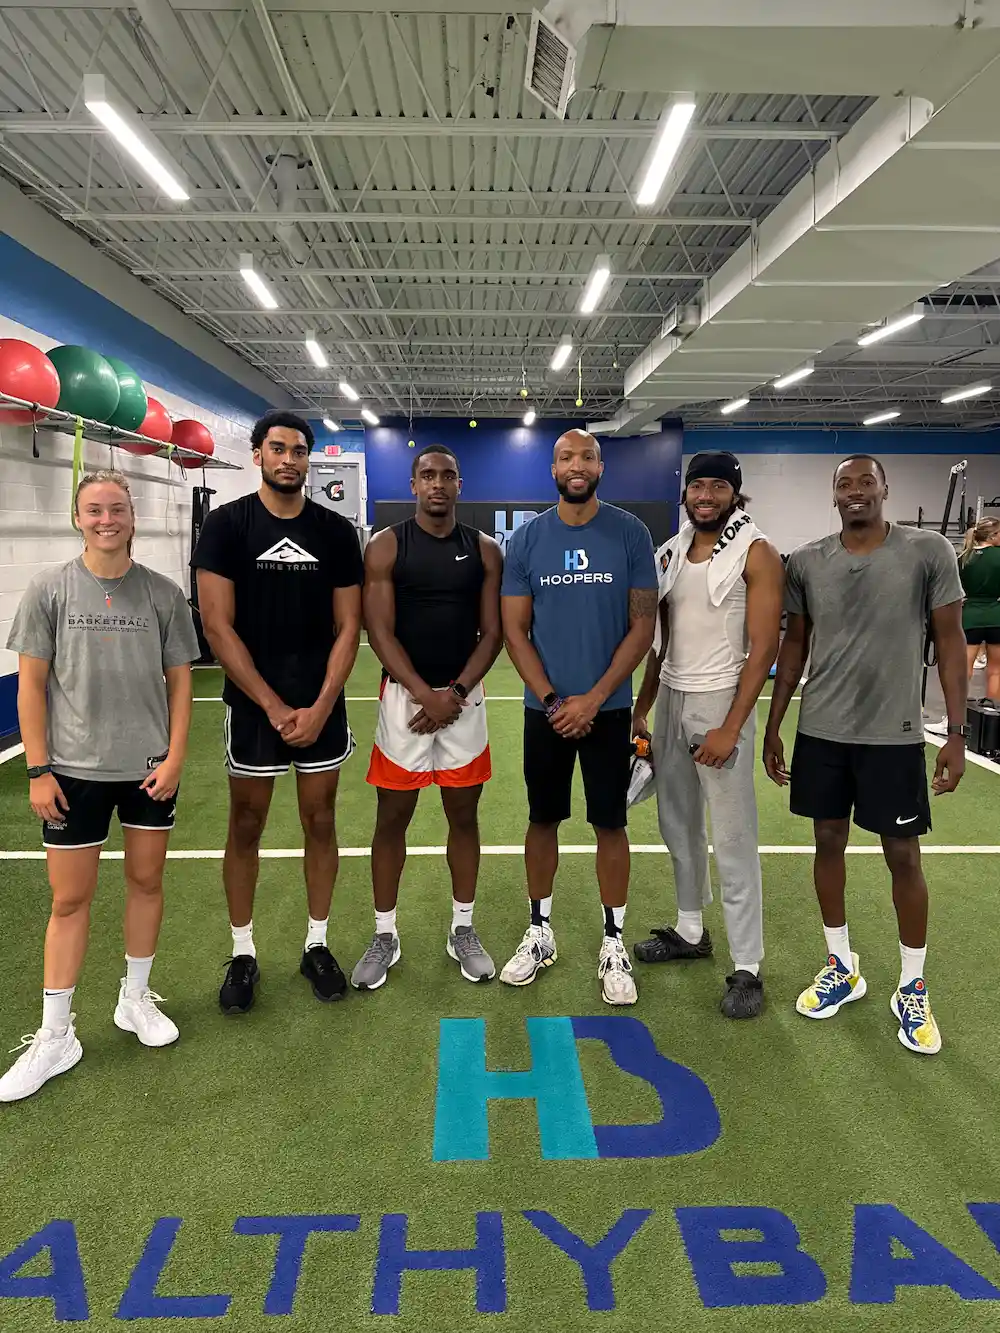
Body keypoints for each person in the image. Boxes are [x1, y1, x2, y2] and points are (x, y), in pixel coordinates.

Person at [0, 471, 199, 1102]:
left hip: (146, 769)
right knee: (68, 901)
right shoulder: (48, 589)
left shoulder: (164, 595)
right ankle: (56, 1035)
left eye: (117, 508)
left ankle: (133, 999)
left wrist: (173, 759)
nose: (107, 519)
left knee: (146, 881)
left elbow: (181, 685)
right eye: (94, 510)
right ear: (77, 518)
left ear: (133, 516)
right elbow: (31, 686)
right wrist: (37, 768)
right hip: (71, 773)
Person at [764, 454, 967, 1056]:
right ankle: (842, 966)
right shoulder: (806, 562)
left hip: (896, 734)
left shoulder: (928, 552)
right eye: (844, 484)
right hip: (822, 730)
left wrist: (955, 733)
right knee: (827, 842)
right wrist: (775, 724)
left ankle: (912, 986)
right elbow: (793, 645)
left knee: (902, 856)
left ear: (885, 489)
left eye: (865, 482)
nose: (855, 492)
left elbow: (951, 641)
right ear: (833, 496)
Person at [193, 409, 363, 1014]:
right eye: (278, 448)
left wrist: (318, 707)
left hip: (321, 708)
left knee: (320, 823)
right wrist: (270, 704)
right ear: (259, 455)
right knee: (246, 825)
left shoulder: (337, 533)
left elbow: (350, 627)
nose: (289, 458)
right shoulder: (225, 526)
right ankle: (243, 952)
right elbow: (217, 625)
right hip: (253, 708)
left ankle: (316, 944)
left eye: (299, 450)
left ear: (308, 459)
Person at [499, 429, 658, 1005]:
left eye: (586, 456)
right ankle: (540, 930)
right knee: (543, 820)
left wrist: (593, 699)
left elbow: (643, 626)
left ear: (600, 465)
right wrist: (552, 701)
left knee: (610, 825)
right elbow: (515, 631)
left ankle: (613, 940)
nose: (577, 465)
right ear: (552, 467)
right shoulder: (528, 541)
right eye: (566, 456)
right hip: (545, 710)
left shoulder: (631, 533)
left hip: (609, 712)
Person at [631, 451, 784, 1018]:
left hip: (722, 700)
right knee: (677, 822)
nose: (705, 495)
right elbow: (660, 644)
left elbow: (763, 647)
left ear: (735, 494)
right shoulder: (670, 552)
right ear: (685, 492)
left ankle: (749, 966)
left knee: (734, 837)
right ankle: (691, 930)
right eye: (697, 485)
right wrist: (642, 708)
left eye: (718, 486)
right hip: (671, 695)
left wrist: (731, 726)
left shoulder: (758, 552)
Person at [352, 446, 503, 989]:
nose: (437, 484)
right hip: (404, 702)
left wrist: (454, 694)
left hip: (463, 702)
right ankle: (385, 934)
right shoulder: (387, 546)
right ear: (413, 484)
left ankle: (462, 929)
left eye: (446, 476)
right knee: (392, 818)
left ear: (460, 484)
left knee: (464, 816)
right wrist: (424, 694)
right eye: (427, 476)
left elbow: (494, 633)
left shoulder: (485, 550)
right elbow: (380, 631)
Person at [956, 517, 1000, 705]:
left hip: (970, 617)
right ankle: (992, 707)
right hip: (996, 617)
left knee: (964, 667)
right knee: (996, 668)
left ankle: (955, 714)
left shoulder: (963, 558)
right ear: (993, 535)